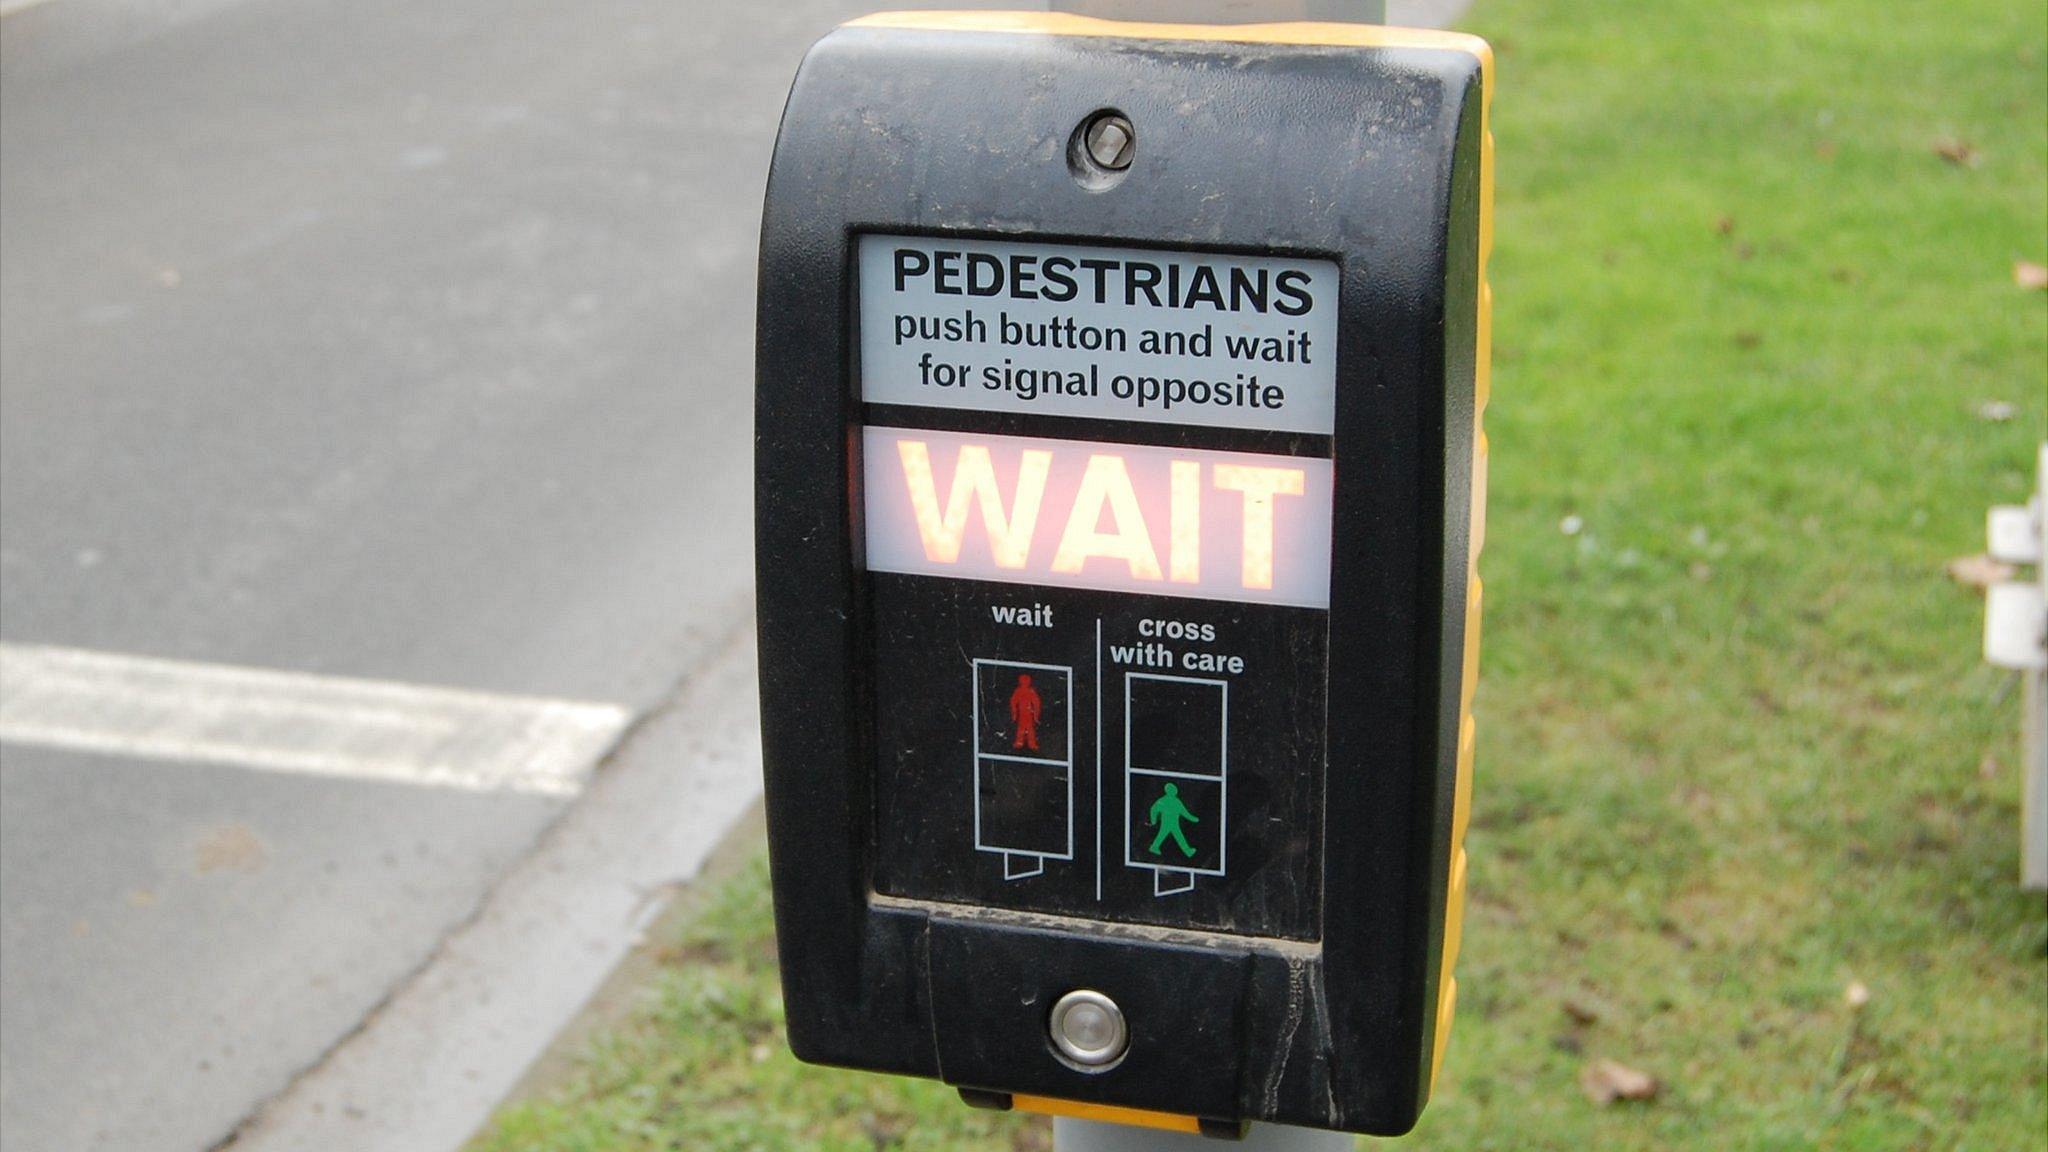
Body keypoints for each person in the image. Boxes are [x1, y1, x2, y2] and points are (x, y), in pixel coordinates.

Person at [1147, 782, 1199, 858]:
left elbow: (1184, 812)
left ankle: (1187, 851)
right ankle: (1187, 851)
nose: (1175, 791)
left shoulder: (1174, 801)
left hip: (1174, 823)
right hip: (1167, 823)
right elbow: (1153, 809)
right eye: (1173, 790)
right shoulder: (1164, 801)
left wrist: (1193, 819)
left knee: (1170, 835)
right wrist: (1153, 821)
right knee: (1175, 836)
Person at [1009, 673, 1042, 751]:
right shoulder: (1020, 691)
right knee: (1023, 728)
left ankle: (1030, 744)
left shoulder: (1029, 691)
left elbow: (1036, 703)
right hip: (1023, 713)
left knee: (1029, 728)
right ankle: (1022, 742)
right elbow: (1013, 702)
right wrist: (1014, 713)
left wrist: (1036, 715)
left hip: (1028, 712)